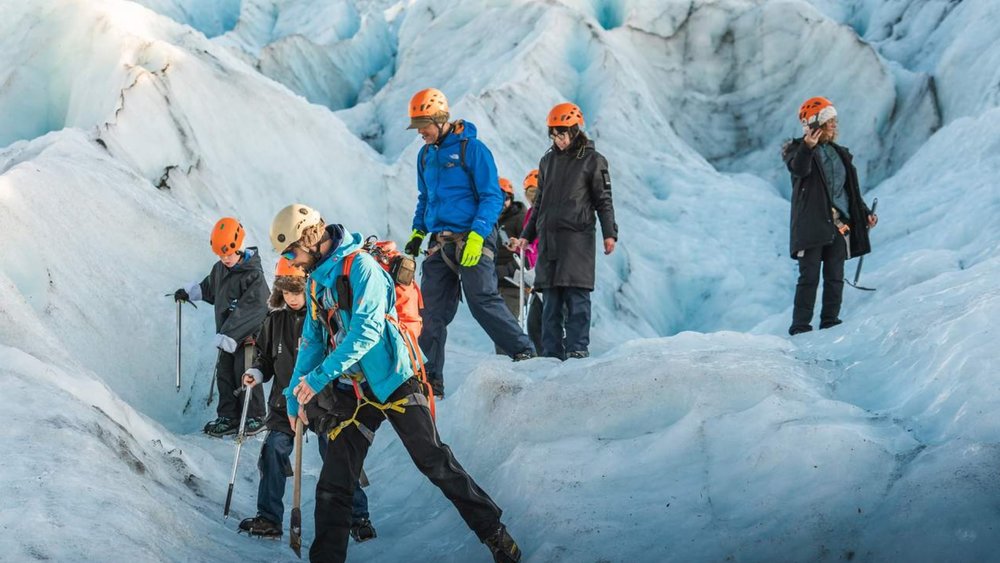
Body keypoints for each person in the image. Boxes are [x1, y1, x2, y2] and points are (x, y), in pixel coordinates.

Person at [269, 204, 522, 563]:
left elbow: (366, 333)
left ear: (310, 238)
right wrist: (295, 398)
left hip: (394, 380)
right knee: (334, 484)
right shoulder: (315, 283)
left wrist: (318, 378)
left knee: (433, 461)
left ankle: (495, 534)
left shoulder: (361, 268)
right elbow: (311, 341)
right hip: (353, 390)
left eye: (292, 251)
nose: (292, 260)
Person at [402, 88, 536, 398]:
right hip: (440, 242)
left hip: (472, 238)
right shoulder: (425, 155)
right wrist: (417, 234)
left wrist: (478, 234)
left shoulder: (472, 150)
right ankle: (430, 379)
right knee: (431, 313)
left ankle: (524, 351)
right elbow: (426, 199)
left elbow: (491, 196)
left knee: (481, 300)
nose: (420, 132)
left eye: (424, 125)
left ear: (439, 118)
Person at [238, 258, 376, 542]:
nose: (291, 297)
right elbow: (265, 358)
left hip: (324, 400)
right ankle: (269, 518)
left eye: (297, 290)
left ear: (308, 288)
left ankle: (358, 517)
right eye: (286, 291)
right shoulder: (274, 320)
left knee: (338, 455)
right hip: (282, 402)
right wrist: (255, 372)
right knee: (273, 450)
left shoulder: (323, 318)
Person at [512, 103, 618, 360]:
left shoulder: (593, 161)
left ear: (574, 130)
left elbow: (604, 200)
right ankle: (551, 355)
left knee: (576, 298)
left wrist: (609, 232)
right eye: (554, 135)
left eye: (562, 134)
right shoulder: (547, 161)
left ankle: (577, 349)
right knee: (550, 302)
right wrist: (527, 233)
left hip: (577, 240)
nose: (558, 140)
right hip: (549, 241)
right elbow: (539, 203)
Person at [783, 97, 878, 335]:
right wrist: (807, 147)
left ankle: (830, 322)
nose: (835, 125)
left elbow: (849, 190)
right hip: (811, 224)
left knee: (835, 275)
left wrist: (864, 213)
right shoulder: (796, 150)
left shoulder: (840, 154)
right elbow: (799, 170)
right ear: (817, 124)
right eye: (830, 121)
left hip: (838, 225)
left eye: (834, 121)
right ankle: (800, 327)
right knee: (809, 277)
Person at [173, 217, 268, 436]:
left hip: (249, 337)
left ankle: (255, 416)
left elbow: (254, 308)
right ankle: (229, 417)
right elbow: (210, 287)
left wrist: (231, 334)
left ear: (239, 247)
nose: (225, 258)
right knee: (224, 373)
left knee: (245, 372)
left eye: (229, 254)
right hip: (228, 336)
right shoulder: (220, 269)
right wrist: (190, 293)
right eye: (221, 255)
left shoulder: (254, 276)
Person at [493, 177, 528, 353]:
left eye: (506, 197)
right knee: (500, 327)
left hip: (514, 284)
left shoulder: (520, 219)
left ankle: (511, 366)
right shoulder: (493, 220)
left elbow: (528, 256)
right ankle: (505, 366)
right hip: (496, 284)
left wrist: (502, 271)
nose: (503, 202)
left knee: (506, 327)